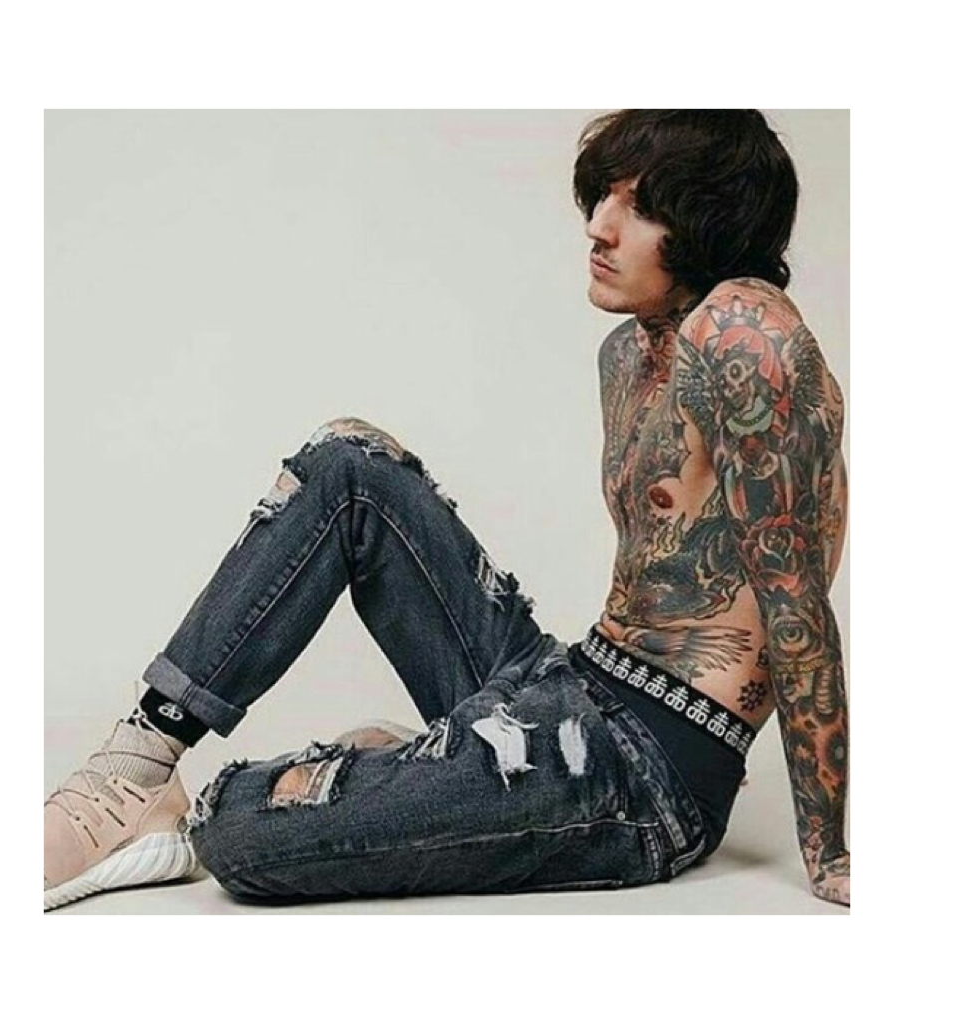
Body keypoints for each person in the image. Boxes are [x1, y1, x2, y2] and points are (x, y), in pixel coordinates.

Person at [44, 109, 849, 911]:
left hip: (643, 772)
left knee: (234, 828)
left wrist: (832, 854)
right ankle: (132, 772)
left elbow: (797, 606)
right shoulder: (627, 354)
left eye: (640, 208)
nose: (599, 227)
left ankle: (420, 781)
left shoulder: (746, 333)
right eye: (603, 195)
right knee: (349, 463)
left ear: (710, 224)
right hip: (567, 678)